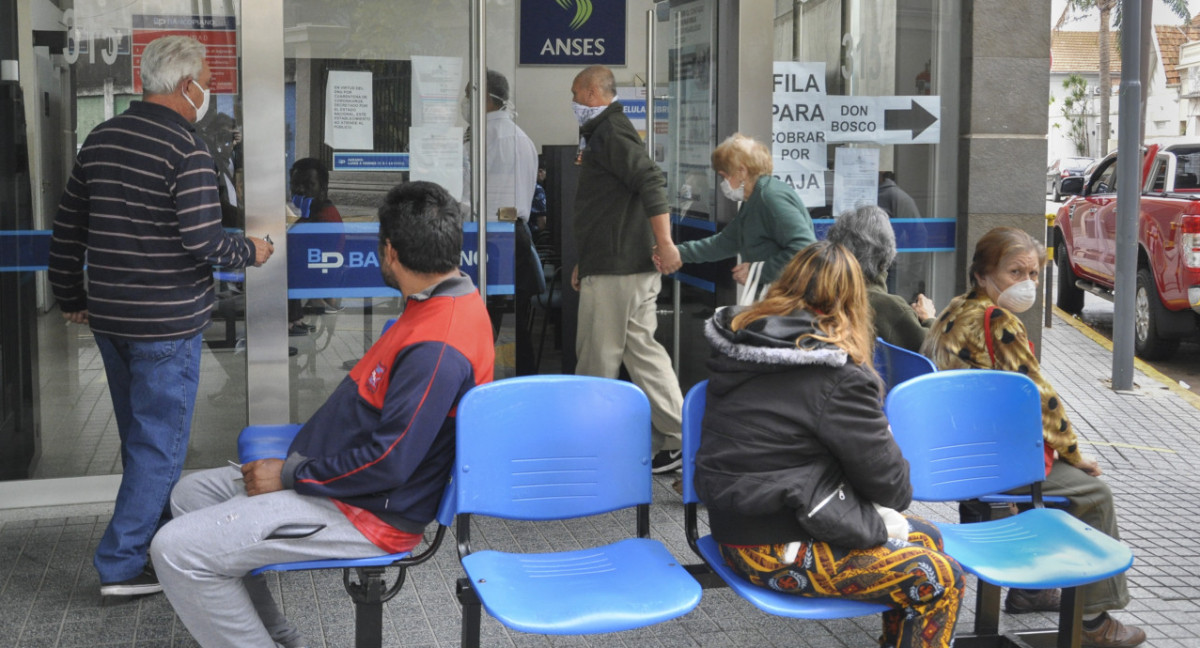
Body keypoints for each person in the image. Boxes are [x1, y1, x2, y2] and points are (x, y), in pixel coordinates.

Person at [149, 181, 495, 648]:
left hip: (366, 513)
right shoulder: (439, 301)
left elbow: (390, 462)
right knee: (191, 494)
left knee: (172, 550)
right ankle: (277, 637)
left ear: (389, 252)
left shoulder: (438, 345)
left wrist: (292, 474)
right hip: (336, 480)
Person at [47, 35, 274, 597]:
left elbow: (67, 230)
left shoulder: (100, 139)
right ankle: (122, 565)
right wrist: (251, 251)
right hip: (166, 327)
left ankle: (154, 542)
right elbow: (202, 240)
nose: (210, 95)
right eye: (208, 85)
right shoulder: (185, 148)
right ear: (186, 85)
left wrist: (70, 294)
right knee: (159, 446)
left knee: (141, 440)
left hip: (113, 320)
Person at [694, 241, 964, 648]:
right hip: (776, 546)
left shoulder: (746, 344)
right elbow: (894, 489)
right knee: (940, 577)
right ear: (853, 304)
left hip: (736, 526)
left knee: (928, 539)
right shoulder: (834, 372)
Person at [920, 226, 1144, 647]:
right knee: (1094, 492)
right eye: (1014, 272)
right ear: (983, 275)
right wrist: (1075, 454)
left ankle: (1032, 590)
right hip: (986, 461)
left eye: (1034, 273)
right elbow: (1040, 397)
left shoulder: (956, 308)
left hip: (955, 453)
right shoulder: (997, 320)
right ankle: (1093, 622)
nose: (1027, 283)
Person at [569, 64, 685, 473]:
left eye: (576, 95)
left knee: (597, 359)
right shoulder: (605, 132)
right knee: (643, 353)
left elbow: (650, 180)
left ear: (591, 94)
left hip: (619, 271)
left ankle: (588, 449)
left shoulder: (611, 132)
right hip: (622, 263)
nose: (574, 104)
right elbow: (610, 206)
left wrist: (666, 242)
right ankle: (678, 436)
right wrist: (588, 258)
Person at [657, 133, 815, 295]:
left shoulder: (769, 198)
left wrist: (759, 271)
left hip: (789, 299)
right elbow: (724, 243)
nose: (723, 184)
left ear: (742, 171)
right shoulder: (754, 200)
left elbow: (805, 248)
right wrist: (676, 253)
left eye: (725, 176)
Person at [464, 69, 541, 375]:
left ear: (486, 99)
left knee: (483, 320)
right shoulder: (523, 138)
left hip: (489, 236)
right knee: (515, 321)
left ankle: (481, 386)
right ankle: (524, 385)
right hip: (516, 234)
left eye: (469, 96)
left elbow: (466, 194)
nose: (465, 103)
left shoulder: (484, 138)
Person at [826, 205, 935, 352]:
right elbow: (937, 354)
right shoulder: (890, 308)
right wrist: (929, 319)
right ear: (887, 255)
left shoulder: (825, 295)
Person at [287, 157, 344, 334]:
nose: (300, 190)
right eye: (295, 184)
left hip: (317, 275)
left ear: (323, 188)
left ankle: (291, 320)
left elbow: (299, 255)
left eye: (308, 184)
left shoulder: (324, 217)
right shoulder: (313, 213)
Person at [877, 170, 928, 300]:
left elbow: (919, 235)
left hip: (886, 271)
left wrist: (912, 275)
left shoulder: (896, 197)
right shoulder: (851, 194)